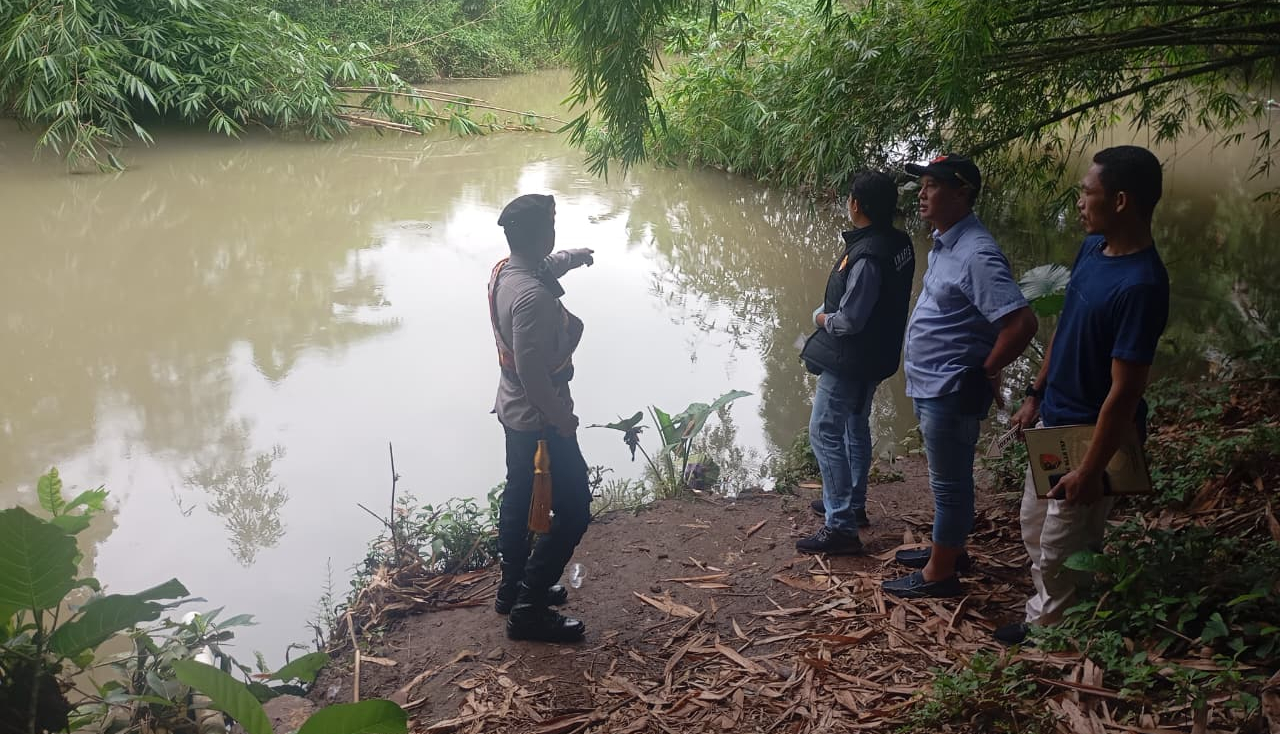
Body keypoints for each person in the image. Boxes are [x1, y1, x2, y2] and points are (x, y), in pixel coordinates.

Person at [996, 146, 1169, 645]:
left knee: (1062, 540)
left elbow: (1126, 390)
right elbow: (1065, 327)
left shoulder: (1141, 285)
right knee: (1035, 524)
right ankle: (1057, 608)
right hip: (1055, 419)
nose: (1078, 202)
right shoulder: (1094, 250)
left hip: (1092, 436)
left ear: (1119, 201)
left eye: (1086, 192)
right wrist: (1034, 393)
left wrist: (1092, 470)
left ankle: (1050, 637)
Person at [883, 154, 1039, 599]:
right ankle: (950, 550)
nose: (922, 193)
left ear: (963, 193)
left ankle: (940, 574)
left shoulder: (977, 253)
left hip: (951, 387)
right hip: (935, 383)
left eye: (933, 185)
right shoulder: (948, 242)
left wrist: (988, 369)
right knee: (948, 478)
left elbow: (1021, 323)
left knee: (949, 484)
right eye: (922, 184)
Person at [488, 193, 596, 642]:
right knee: (574, 510)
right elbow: (534, 374)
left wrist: (576, 257)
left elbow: (547, 266)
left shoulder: (508, 271)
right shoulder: (531, 297)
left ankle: (513, 589)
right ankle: (529, 610)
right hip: (541, 418)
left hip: (515, 413)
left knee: (518, 497)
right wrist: (561, 419)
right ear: (541, 233)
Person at [796, 171, 916, 555]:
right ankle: (851, 504)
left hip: (851, 359)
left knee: (824, 432)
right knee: (853, 426)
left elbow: (849, 320)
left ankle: (841, 526)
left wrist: (820, 318)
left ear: (856, 205)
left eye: (849, 198)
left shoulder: (867, 255)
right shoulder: (898, 242)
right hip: (875, 354)